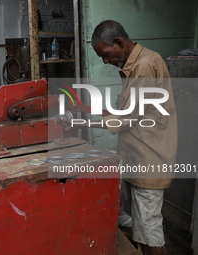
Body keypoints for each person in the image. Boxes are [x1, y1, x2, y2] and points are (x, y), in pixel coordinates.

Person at [64, 20, 177, 255]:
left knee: (148, 228)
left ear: (118, 42)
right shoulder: (134, 65)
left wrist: (80, 122)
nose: (105, 61)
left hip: (149, 158)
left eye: (105, 54)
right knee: (136, 220)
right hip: (136, 156)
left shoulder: (144, 67)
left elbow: (128, 117)